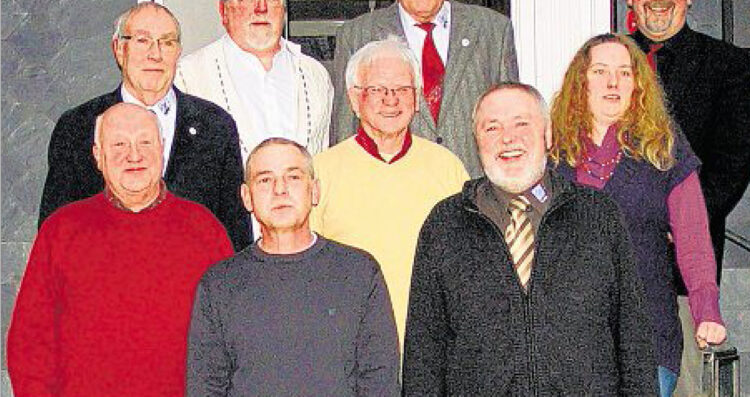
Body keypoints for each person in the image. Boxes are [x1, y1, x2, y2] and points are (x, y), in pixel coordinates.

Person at [403, 83, 657, 396]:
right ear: (477, 141)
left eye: (521, 124)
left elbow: (634, 336)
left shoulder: (599, 216)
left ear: (548, 135)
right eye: (491, 127)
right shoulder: (445, 224)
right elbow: (423, 352)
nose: (507, 138)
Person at [8, 103, 233, 397]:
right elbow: (30, 343)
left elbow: (232, 338)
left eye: (145, 142)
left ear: (162, 148)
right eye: (119, 144)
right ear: (98, 156)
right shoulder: (61, 231)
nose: (134, 155)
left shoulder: (205, 230)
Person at [549, 34, 727, 397]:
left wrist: (706, 309)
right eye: (600, 71)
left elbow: (693, 240)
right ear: (581, 82)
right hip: (568, 341)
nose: (613, 82)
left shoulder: (665, 146)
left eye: (625, 73)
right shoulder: (553, 153)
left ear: (638, 85)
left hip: (649, 338)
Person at [186, 138, 400, 397]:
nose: (280, 189)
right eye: (265, 180)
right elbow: (206, 387)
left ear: (315, 191)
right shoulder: (219, 285)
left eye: (294, 177)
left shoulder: (359, 273)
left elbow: (380, 382)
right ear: (247, 197)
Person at [39, 2, 252, 251]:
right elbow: (53, 235)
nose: (155, 54)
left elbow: (235, 234)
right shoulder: (78, 127)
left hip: (194, 285)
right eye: (143, 41)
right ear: (119, 49)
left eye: (167, 42)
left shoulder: (215, 126)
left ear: (178, 52)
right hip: (102, 282)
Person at [311, 37, 468, 346]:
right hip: (349, 340)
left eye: (402, 90)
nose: (391, 100)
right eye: (378, 90)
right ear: (355, 99)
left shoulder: (447, 168)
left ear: (418, 97)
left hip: (430, 340)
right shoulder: (319, 172)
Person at [331, 0, 518, 176]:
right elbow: (345, 131)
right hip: (391, 188)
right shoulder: (357, 36)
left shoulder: (493, 31)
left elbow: (510, 121)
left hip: (473, 190)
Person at [626, 0, 750, 281]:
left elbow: (732, 163)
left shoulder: (725, 65)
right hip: (616, 261)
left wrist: (685, 223)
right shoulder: (604, 61)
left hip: (686, 264)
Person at [176, 0, 333, 157]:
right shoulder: (188, 77)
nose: (261, 8)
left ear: (284, 9)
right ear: (223, 10)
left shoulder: (315, 75)